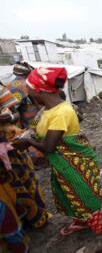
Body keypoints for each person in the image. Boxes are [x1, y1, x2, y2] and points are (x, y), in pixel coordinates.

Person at [14, 67, 102, 235]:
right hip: (62, 163)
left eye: (28, 86)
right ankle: (83, 220)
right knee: (72, 194)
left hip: (74, 163)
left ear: (38, 90)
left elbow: (49, 147)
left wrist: (27, 141)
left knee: (86, 193)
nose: (26, 89)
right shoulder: (48, 109)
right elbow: (38, 130)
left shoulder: (61, 112)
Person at [0, 84, 48, 231]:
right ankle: (17, 225)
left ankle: (37, 219)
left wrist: (7, 118)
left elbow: (15, 113)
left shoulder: (8, 88)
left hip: (12, 147)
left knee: (26, 182)